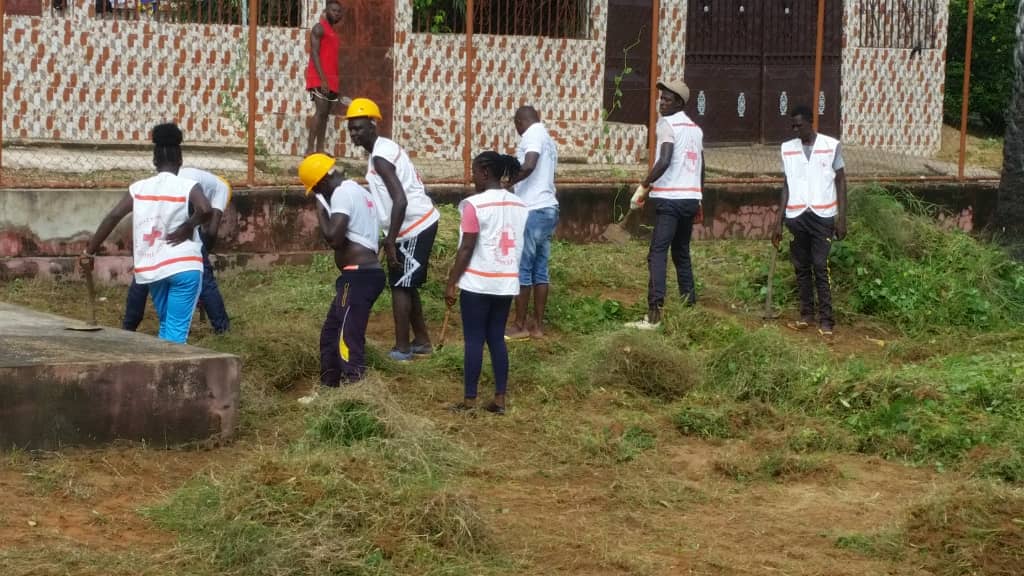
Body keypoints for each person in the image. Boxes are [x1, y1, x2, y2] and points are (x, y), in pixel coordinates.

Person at [79, 123, 211, 344]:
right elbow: (205, 209)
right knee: (176, 333)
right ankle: (169, 375)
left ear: (154, 161)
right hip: (184, 266)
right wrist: (189, 226)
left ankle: (161, 372)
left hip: (153, 268)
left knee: (166, 326)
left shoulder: (138, 189)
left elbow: (113, 217)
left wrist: (89, 252)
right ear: (180, 160)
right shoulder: (188, 185)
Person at [346, 97, 439, 362]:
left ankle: (402, 348)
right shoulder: (382, 149)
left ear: (373, 126)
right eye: (351, 129)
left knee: (399, 285)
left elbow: (400, 199)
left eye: (359, 128)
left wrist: (390, 240)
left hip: (413, 226)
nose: (354, 133)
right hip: (411, 224)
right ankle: (421, 341)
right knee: (406, 284)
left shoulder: (381, 158)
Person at [445, 151, 528, 414]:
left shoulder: (474, 205)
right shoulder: (519, 205)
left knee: (473, 340)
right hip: (505, 283)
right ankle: (499, 399)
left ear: (484, 172)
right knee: (496, 338)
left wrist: (451, 282)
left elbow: (467, 247)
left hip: (477, 284)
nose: (471, 177)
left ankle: (469, 400)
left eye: (473, 171)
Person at [297, 154, 385, 400]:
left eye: (315, 189)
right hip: (361, 275)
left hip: (358, 277)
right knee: (331, 333)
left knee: (347, 337)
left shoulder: (342, 194)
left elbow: (334, 238)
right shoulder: (360, 192)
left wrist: (320, 212)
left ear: (322, 182)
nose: (318, 194)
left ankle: (354, 396)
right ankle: (329, 390)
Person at [626, 80, 704, 330]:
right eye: (661, 98)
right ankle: (689, 306)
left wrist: (644, 184)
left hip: (670, 199)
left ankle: (654, 314)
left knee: (657, 253)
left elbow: (666, 159)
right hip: (690, 199)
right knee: (681, 252)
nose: (662, 103)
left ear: (679, 103)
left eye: (668, 99)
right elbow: (702, 167)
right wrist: (699, 197)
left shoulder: (666, 124)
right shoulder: (695, 129)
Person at [122, 167, 231, 334]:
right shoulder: (222, 190)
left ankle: (129, 325)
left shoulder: (188, 175)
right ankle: (222, 327)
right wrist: (203, 254)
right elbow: (212, 230)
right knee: (205, 275)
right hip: (181, 204)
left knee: (147, 269)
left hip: (161, 203)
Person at [771, 105, 848, 338]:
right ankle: (806, 315)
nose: (796, 130)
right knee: (801, 266)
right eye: (793, 126)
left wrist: (841, 218)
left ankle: (827, 320)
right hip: (796, 216)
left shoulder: (830, 146)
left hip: (822, 216)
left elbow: (841, 182)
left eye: (799, 125)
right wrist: (778, 220)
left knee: (819, 265)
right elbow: (787, 185)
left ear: (811, 123)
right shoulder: (788, 149)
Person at [505, 105, 559, 340]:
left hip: (534, 210)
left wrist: (508, 182)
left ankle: (519, 326)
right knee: (540, 269)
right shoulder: (546, 136)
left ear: (519, 122)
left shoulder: (532, 135)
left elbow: (529, 164)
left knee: (524, 268)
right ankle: (537, 325)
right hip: (548, 208)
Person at [305, 0, 349, 156]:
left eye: (339, 12)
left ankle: (320, 149)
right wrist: (323, 79)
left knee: (325, 115)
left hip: (331, 79)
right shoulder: (319, 28)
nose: (336, 14)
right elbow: (315, 54)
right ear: (326, 10)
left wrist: (333, 80)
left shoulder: (332, 32)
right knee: (320, 111)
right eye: (333, 10)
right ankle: (309, 150)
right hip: (319, 78)